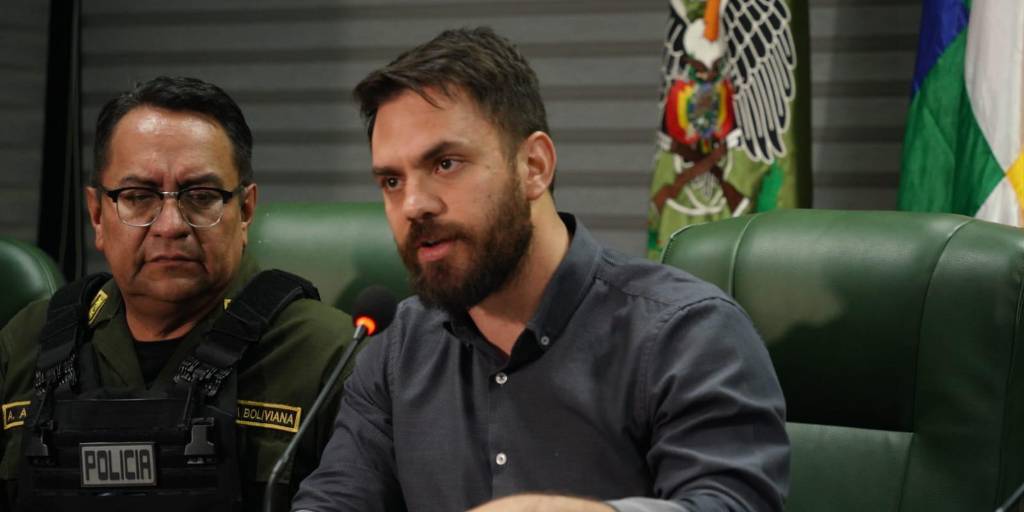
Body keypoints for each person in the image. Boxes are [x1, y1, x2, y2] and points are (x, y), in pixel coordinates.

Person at [292, 28, 789, 512]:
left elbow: (731, 502)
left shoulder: (686, 332)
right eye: (391, 181)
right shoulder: (397, 348)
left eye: (445, 164)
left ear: (534, 166)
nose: (413, 204)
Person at [0, 76, 354, 511]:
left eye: (200, 196)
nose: (170, 225)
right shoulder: (26, 344)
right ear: (96, 215)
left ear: (245, 211)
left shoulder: (325, 354)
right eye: (138, 197)